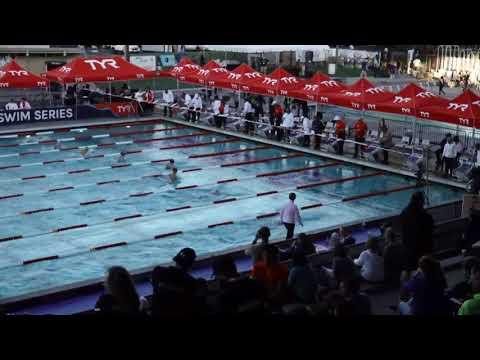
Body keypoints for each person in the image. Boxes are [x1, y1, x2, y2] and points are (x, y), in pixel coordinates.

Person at [400, 191, 434, 273]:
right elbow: (430, 229)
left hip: (407, 247)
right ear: (420, 201)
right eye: (423, 201)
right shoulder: (425, 216)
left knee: (408, 270)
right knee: (423, 270)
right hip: (421, 249)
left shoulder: (404, 212)